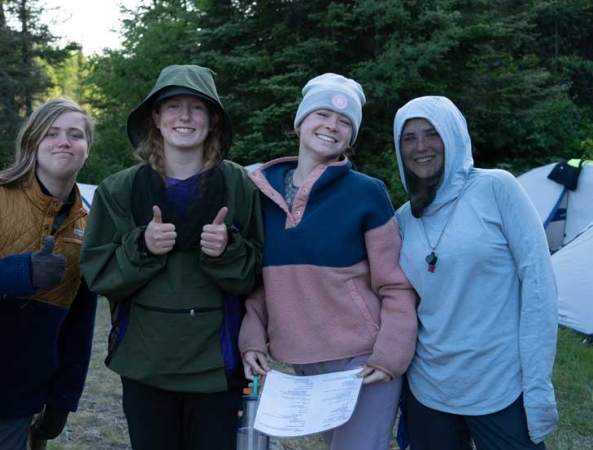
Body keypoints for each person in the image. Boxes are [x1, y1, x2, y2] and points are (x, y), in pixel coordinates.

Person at [80, 64, 264, 450]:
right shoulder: (120, 189)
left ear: (212, 120)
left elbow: (258, 276)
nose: (184, 117)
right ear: (156, 118)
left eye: (196, 107)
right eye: (173, 106)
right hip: (147, 365)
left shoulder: (240, 186)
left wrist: (226, 252)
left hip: (218, 365)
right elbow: (98, 274)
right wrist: (142, 248)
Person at [238, 73, 418, 450]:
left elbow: (396, 285)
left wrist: (390, 356)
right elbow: (260, 283)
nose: (332, 126)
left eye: (344, 122)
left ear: (350, 138)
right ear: (300, 121)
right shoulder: (260, 193)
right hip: (300, 362)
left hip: (361, 361)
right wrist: (252, 338)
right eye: (322, 114)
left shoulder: (367, 193)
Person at [392, 96, 558, 449]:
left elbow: (539, 286)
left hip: (499, 382)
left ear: (453, 136)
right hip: (429, 386)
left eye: (432, 133)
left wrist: (538, 382)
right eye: (409, 137)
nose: (421, 147)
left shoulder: (496, 188)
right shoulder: (404, 218)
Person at [0, 98, 97, 450]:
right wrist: (21, 272)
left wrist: (63, 400)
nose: (64, 141)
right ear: (32, 141)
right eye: (52, 133)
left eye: (75, 134)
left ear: (87, 148)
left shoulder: (89, 228)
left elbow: (80, 322)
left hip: (21, 395)